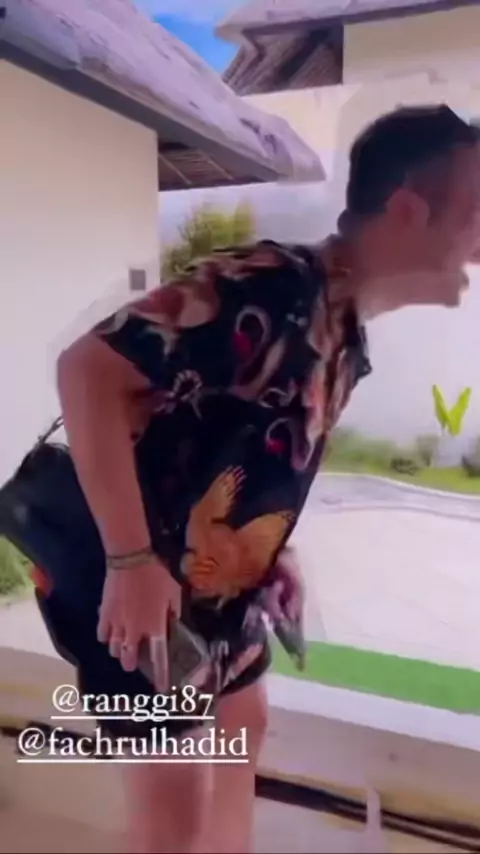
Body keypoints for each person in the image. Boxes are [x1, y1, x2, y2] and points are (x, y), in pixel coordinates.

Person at [56, 104, 480, 854]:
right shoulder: (271, 285)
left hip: (221, 591)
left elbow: (233, 445)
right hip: (142, 592)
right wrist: (129, 559)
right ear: (410, 212)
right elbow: (87, 368)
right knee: (174, 823)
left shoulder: (342, 331)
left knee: (241, 736)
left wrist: (267, 553)